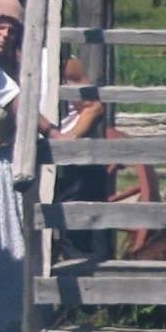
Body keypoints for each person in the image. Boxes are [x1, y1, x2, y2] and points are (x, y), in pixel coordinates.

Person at [0, 0, 58, 332]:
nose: (4, 35)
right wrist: (51, 130)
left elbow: (24, 101)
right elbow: (14, 103)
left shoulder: (23, 70)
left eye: (12, 29)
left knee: (1, 248)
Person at [54, 55, 110, 260]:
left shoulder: (64, 61)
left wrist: (71, 138)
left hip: (74, 160)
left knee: (82, 234)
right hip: (36, 160)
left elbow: (93, 107)